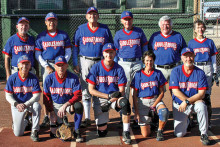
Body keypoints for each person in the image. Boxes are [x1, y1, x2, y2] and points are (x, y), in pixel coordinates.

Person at [72, 7, 113, 127]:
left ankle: (99, 116)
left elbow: (111, 46)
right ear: (86, 17)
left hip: (101, 61)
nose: (92, 16)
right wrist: (75, 63)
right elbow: (75, 47)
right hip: (85, 60)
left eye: (95, 14)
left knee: (100, 87)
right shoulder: (81, 29)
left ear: (98, 16)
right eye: (90, 14)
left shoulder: (104, 29)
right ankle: (87, 118)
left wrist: (111, 61)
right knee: (86, 88)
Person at [86, 43, 132, 144]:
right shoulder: (96, 68)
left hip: (115, 98)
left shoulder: (119, 68)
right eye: (107, 52)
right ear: (103, 53)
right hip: (101, 99)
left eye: (111, 52)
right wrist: (107, 97)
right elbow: (91, 90)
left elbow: (122, 91)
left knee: (125, 103)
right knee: (102, 133)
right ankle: (103, 125)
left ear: (115, 53)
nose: (109, 55)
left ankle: (126, 132)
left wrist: (111, 99)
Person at [35, 12, 72, 128]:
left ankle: (63, 114)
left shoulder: (63, 35)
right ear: (45, 22)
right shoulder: (41, 36)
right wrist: (45, 66)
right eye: (49, 20)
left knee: (62, 89)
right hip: (47, 65)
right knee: (48, 91)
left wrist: (62, 64)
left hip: (60, 65)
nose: (51, 22)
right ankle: (47, 115)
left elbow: (68, 52)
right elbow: (38, 54)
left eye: (54, 20)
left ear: (57, 22)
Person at [169, 47, 211, 145]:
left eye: (190, 56)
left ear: (194, 56)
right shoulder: (176, 71)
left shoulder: (200, 72)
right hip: (180, 104)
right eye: (186, 56)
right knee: (179, 134)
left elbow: (201, 93)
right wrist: (186, 101)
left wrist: (187, 102)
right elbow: (175, 92)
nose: (188, 59)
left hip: (193, 102)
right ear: (181, 58)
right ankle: (187, 120)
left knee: (202, 106)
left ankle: (204, 134)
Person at [114, 11, 149, 126]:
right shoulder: (118, 34)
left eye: (129, 19)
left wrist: (145, 63)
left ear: (132, 20)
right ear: (121, 21)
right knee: (124, 90)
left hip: (137, 62)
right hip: (123, 63)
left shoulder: (139, 31)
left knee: (137, 90)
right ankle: (124, 115)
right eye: (125, 19)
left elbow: (145, 47)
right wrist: (116, 65)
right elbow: (115, 51)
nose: (127, 21)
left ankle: (137, 115)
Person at [43, 55, 83, 142]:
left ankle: (77, 130)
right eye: (58, 65)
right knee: (58, 135)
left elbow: (78, 95)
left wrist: (66, 105)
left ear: (67, 66)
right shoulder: (49, 78)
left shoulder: (73, 78)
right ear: (55, 67)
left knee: (78, 106)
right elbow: (46, 98)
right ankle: (62, 121)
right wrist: (52, 112)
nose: (61, 68)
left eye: (63, 65)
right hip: (55, 105)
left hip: (68, 104)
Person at [131, 50, 169, 141]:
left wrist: (154, 106)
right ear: (143, 61)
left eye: (151, 60)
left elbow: (162, 93)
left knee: (164, 111)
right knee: (145, 134)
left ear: (153, 61)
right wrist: (136, 112)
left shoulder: (158, 73)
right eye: (147, 60)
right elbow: (134, 95)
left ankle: (159, 130)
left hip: (155, 100)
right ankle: (152, 121)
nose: (149, 62)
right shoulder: (138, 74)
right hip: (142, 102)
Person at [188, 19, 219, 129]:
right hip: (196, 67)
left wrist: (215, 72)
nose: (200, 29)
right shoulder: (191, 43)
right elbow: (189, 58)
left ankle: (207, 121)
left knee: (206, 95)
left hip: (207, 67)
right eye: (198, 27)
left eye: (202, 27)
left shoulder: (209, 42)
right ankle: (193, 118)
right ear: (195, 30)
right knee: (193, 92)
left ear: (204, 28)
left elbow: (213, 58)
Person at [4, 55, 42, 142]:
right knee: (18, 133)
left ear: (30, 65)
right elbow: (8, 96)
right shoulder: (12, 78)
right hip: (17, 105)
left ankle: (35, 131)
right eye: (22, 64)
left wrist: (26, 104)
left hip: (29, 104)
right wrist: (17, 104)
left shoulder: (33, 78)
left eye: (27, 64)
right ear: (18, 65)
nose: (24, 66)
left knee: (37, 106)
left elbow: (37, 96)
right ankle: (26, 121)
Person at [148, 15, 187, 81]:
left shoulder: (178, 36)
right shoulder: (155, 36)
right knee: (158, 90)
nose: (165, 27)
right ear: (160, 26)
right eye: (163, 25)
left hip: (174, 68)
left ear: (171, 25)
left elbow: (184, 51)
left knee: (176, 90)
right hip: (159, 68)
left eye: (167, 24)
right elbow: (149, 51)